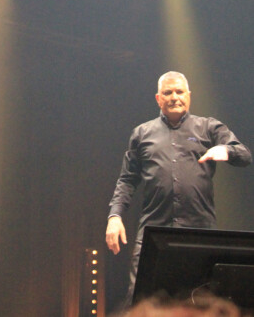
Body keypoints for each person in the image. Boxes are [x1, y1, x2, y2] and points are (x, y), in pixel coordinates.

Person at [106, 71, 252, 306]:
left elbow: (244, 155)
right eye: (168, 92)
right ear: (158, 98)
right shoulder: (142, 134)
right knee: (141, 300)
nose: (174, 97)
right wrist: (115, 216)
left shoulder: (208, 127)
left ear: (189, 96)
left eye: (179, 91)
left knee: (199, 302)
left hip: (199, 233)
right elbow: (126, 180)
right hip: (154, 233)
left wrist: (226, 151)